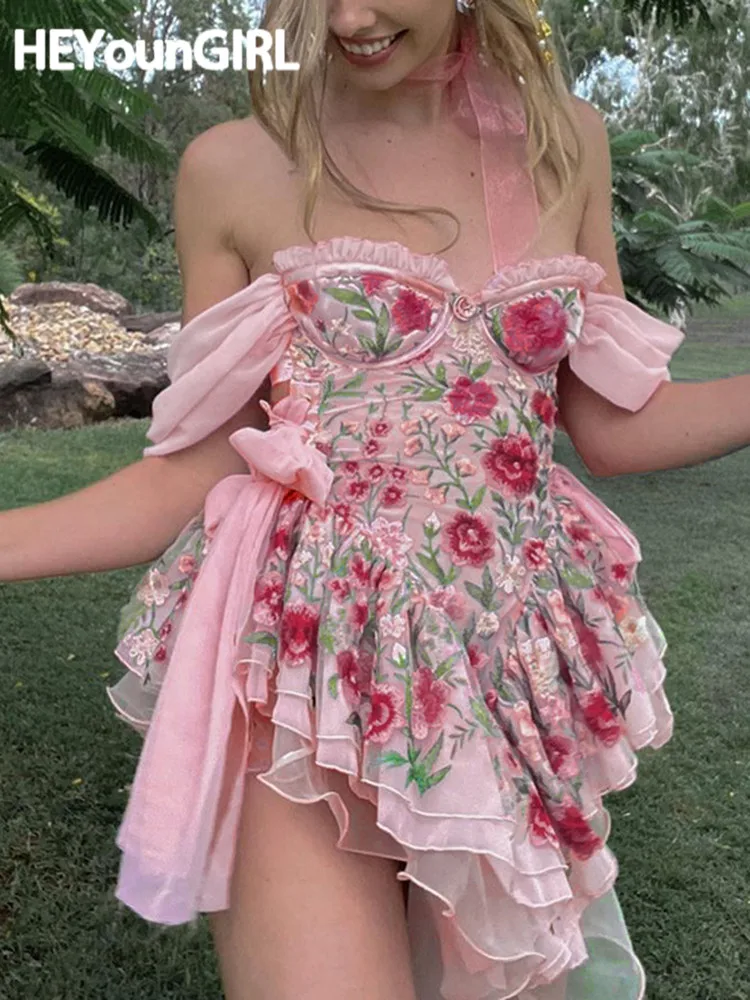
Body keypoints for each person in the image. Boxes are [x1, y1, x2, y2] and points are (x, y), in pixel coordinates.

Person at [2, 1, 749, 998]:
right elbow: (199, 464)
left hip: (504, 658)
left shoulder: (565, 140)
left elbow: (616, 426)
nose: (348, 16)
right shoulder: (237, 165)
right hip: (303, 657)